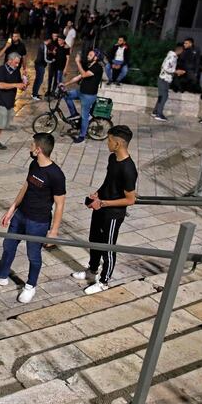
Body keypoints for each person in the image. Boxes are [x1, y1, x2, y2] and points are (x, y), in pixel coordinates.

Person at [0, 133, 66, 303]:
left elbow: (60, 204)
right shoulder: (34, 164)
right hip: (21, 215)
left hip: (38, 222)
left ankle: (30, 286)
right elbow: (26, 186)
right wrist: (12, 209)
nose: (30, 147)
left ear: (39, 149)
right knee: (8, 245)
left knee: (33, 255)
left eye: (32, 145)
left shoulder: (56, 174)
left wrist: (54, 231)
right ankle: (2, 276)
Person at [71, 125, 137, 294]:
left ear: (118, 143)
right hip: (100, 206)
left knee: (108, 247)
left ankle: (104, 281)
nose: (107, 143)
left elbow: (130, 199)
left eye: (109, 140)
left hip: (113, 214)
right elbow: (109, 182)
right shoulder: (112, 159)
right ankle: (92, 270)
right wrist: (97, 194)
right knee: (94, 240)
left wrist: (103, 203)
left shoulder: (129, 169)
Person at [61, 48, 105, 143]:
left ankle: (82, 136)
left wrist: (77, 62)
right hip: (80, 91)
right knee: (66, 95)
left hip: (88, 96)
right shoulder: (89, 65)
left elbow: (84, 75)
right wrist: (65, 84)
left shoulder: (98, 67)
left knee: (85, 116)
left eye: (90, 55)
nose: (88, 56)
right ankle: (74, 114)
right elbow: (79, 77)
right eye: (88, 54)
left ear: (96, 57)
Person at [0, 52, 27, 153]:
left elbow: (18, 84)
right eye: (16, 63)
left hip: (9, 102)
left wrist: (23, 85)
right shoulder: (0, 70)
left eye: (18, 63)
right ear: (9, 61)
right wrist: (16, 85)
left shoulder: (16, 71)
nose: (17, 65)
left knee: (4, 124)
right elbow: (1, 85)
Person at [153, 43, 185, 122]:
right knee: (164, 96)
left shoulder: (172, 56)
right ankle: (158, 114)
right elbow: (166, 67)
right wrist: (176, 71)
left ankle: (156, 111)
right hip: (164, 79)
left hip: (165, 78)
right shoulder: (172, 57)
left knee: (162, 96)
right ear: (180, 50)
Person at [31, 36, 53, 100]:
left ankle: (34, 93)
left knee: (37, 80)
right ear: (48, 40)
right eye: (50, 40)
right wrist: (52, 61)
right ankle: (34, 95)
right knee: (39, 80)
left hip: (38, 64)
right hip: (40, 65)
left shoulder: (42, 45)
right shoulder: (45, 47)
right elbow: (45, 59)